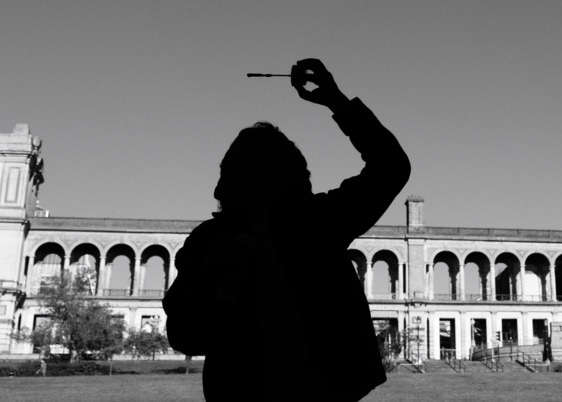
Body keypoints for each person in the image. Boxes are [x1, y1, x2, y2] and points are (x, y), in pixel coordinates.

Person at [163, 58, 411, 401]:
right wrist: (208, 274)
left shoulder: (317, 222)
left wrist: (337, 101)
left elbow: (391, 166)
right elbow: (186, 336)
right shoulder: (210, 241)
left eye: (251, 166)